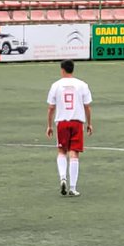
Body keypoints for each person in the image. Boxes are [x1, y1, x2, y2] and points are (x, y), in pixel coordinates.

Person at [46, 60, 93, 197]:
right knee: (74, 154)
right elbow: (87, 107)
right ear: (73, 69)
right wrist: (89, 123)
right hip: (77, 122)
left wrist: (49, 125)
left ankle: (62, 178)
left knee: (61, 151)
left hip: (62, 122)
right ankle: (72, 187)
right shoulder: (82, 85)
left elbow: (51, 108)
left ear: (62, 70)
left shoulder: (56, 85)